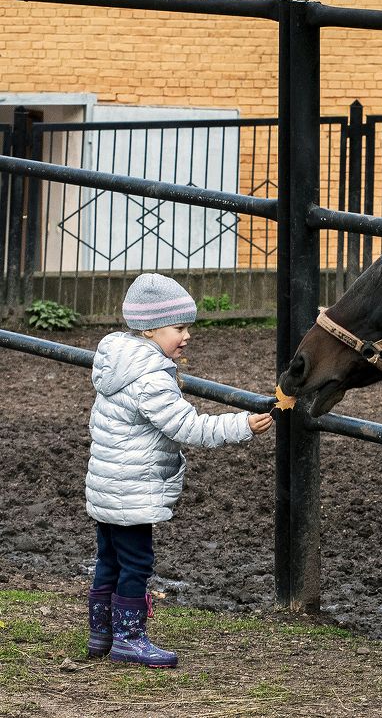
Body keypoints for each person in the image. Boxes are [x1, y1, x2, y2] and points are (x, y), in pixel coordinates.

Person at [84, 273, 273, 668]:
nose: (187, 336)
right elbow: (188, 427)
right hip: (132, 489)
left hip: (108, 485)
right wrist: (242, 426)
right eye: (179, 327)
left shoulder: (118, 364)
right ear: (151, 329)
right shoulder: (150, 377)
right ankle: (129, 638)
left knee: (110, 560)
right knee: (136, 562)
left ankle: (101, 634)